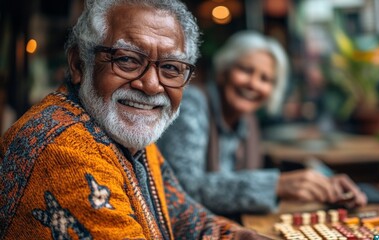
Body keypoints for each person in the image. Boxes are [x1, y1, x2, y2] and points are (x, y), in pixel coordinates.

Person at [0, 1, 266, 239]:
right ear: (79, 64)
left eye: (171, 67)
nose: (151, 85)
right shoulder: (66, 151)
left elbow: (185, 217)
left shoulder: (126, 135)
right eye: (126, 60)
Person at [157, 30, 367, 216]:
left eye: (265, 79)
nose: (253, 84)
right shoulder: (193, 103)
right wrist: (277, 185)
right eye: (246, 70)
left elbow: (241, 178)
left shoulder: (247, 122)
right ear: (224, 70)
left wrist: (324, 182)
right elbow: (184, 189)